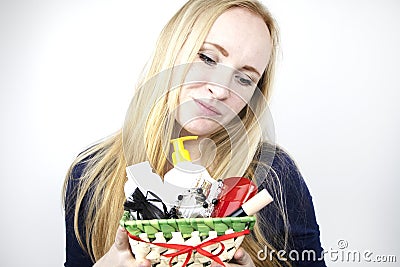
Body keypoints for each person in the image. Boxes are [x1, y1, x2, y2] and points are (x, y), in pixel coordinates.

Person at [63, 0, 326, 266]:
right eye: (208, 58)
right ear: (172, 50)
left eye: (245, 79)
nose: (221, 90)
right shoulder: (91, 175)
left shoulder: (276, 177)